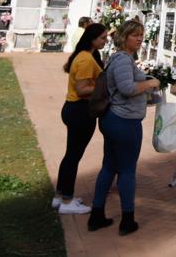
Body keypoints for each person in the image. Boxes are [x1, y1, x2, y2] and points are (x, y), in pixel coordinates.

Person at [88, 19, 160, 235]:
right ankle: (127, 220)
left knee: (109, 166)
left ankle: (97, 215)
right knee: (127, 170)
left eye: (141, 34)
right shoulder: (122, 60)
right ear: (123, 37)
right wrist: (151, 83)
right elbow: (127, 88)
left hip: (116, 120)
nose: (139, 38)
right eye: (134, 35)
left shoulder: (125, 58)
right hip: (123, 121)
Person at [54, 23, 108, 215]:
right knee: (74, 156)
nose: (105, 41)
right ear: (92, 39)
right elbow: (83, 90)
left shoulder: (85, 56)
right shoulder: (85, 59)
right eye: (102, 38)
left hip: (73, 109)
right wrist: (106, 86)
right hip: (80, 111)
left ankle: (60, 195)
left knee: (70, 155)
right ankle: (67, 201)